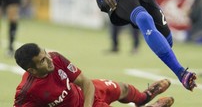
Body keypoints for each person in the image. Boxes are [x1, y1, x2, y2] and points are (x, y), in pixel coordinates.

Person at [14, 43, 174, 107]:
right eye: (42, 60)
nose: (49, 60)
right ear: (32, 70)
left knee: (123, 88)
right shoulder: (26, 93)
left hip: (86, 95)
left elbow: (85, 82)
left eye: (45, 54)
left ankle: (144, 98)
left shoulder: (55, 57)